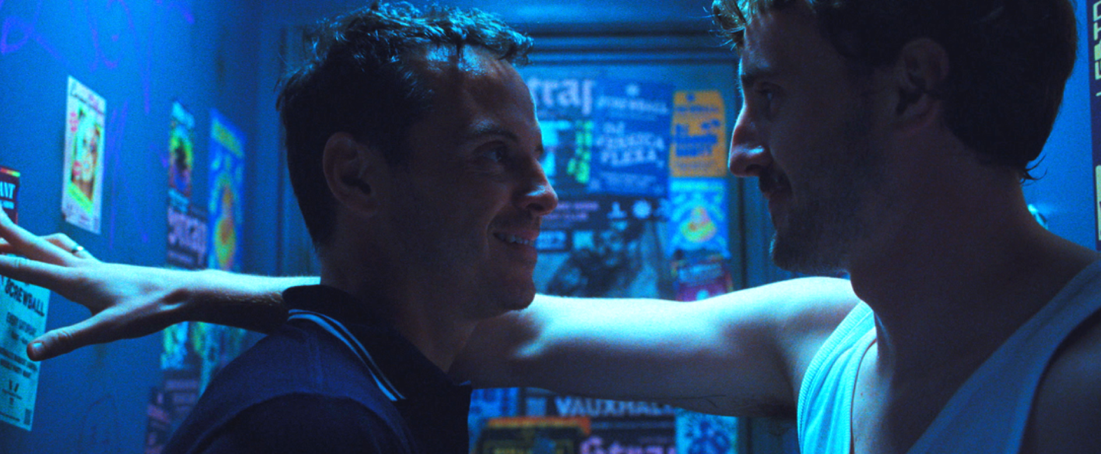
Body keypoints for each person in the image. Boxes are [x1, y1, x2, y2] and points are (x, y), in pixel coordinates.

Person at [0, 0, 1097, 453]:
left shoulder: (1076, 387)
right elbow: (474, 328)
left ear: (911, 91)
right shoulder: (830, 339)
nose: (738, 146)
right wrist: (183, 286)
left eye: (768, 95)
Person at [2, 3, 556, 453]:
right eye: (494, 154)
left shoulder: (351, 396)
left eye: (537, 156)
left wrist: (189, 292)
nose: (546, 194)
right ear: (356, 176)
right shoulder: (318, 421)